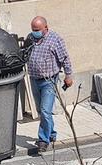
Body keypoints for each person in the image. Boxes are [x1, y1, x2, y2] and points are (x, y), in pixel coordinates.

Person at [27, 16, 74, 153]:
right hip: (34, 79)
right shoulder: (31, 39)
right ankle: (51, 133)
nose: (34, 32)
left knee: (46, 111)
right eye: (33, 29)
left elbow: (65, 58)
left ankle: (43, 140)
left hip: (49, 81)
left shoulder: (55, 40)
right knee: (42, 111)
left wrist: (68, 75)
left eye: (37, 30)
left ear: (45, 28)